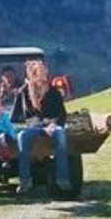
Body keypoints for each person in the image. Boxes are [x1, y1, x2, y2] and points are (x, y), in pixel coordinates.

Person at [11, 59, 69, 194]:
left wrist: (53, 124)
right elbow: (16, 116)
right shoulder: (24, 93)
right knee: (21, 137)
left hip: (52, 126)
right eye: (41, 72)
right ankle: (25, 180)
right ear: (33, 75)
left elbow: (61, 114)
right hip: (34, 126)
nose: (44, 75)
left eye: (45, 71)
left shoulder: (54, 92)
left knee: (61, 136)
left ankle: (62, 178)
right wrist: (39, 124)